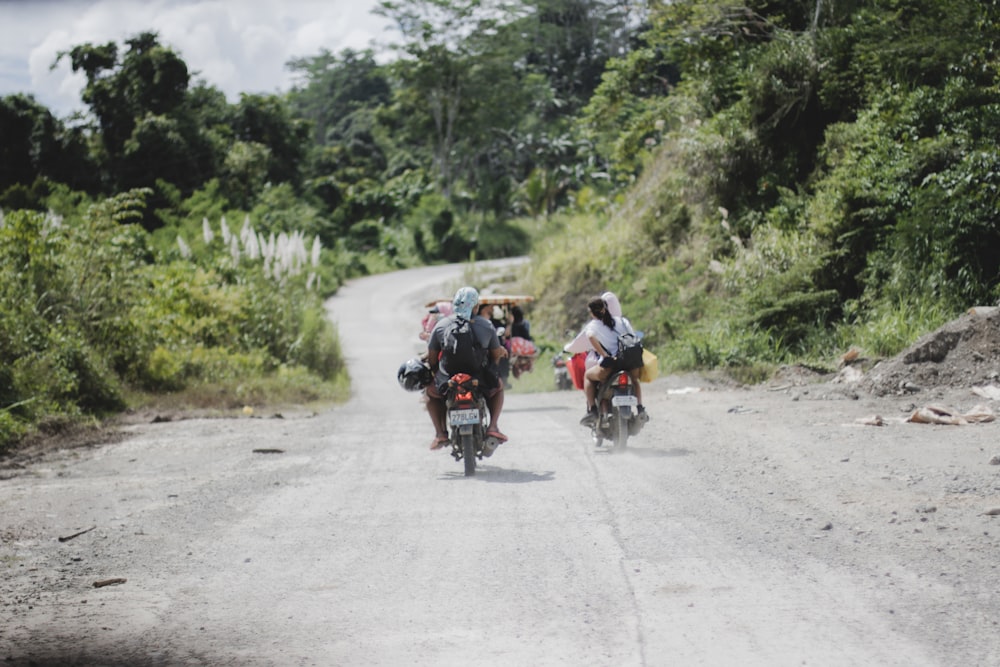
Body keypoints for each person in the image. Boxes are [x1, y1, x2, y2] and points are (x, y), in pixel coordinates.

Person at [425, 287, 509, 450]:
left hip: (449, 379)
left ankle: (440, 433)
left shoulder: (441, 325)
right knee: (498, 388)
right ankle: (492, 427)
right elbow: (495, 355)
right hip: (478, 378)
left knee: (430, 393)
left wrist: (436, 372)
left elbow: (432, 357)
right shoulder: (486, 326)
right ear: (475, 307)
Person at [579, 295, 647, 426]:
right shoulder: (622, 321)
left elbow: (591, 337)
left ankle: (592, 411)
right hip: (630, 363)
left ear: (592, 312)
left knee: (587, 376)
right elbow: (633, 337)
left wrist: (604, 354)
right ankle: (640, 409)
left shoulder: (593, 325)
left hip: (611, 365)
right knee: (634, 381)